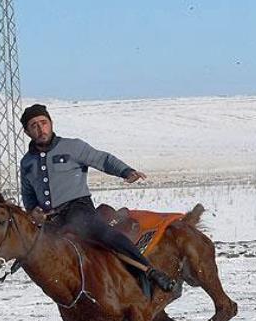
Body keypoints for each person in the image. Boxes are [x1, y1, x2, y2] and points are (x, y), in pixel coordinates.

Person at [18, 103, 175, 294]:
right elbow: (28, 194)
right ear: (27, 132)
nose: (40, 128)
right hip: (51, 221)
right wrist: (33, 210)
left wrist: (125, 171)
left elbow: (103, 159)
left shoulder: (73, 147)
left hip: (79, 210)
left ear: (51, 123)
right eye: (34, 125)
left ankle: (149, 271)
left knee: (105, 235)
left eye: (44, 122)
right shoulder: (27, 162)